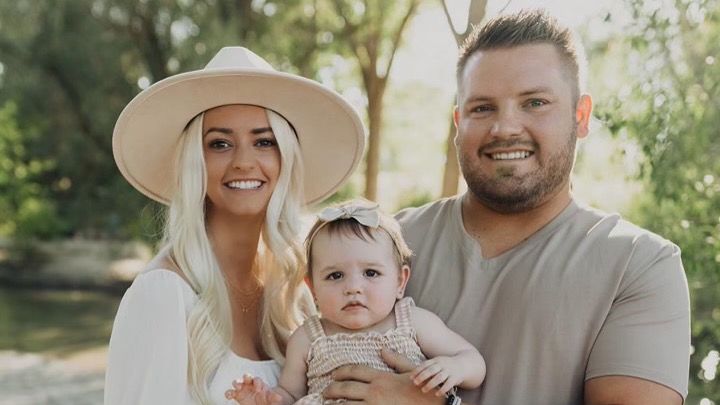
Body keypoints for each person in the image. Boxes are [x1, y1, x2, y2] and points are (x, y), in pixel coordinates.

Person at [322, 10, 691, 405]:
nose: (505, 128)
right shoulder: (384, 244)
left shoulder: (637, 265)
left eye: (535, 102)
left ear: (581, 116)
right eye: (482, 108)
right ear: (458, 122)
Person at [104, 46, 366, 405]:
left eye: (264, 142)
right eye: (220, 144)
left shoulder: (296, 291)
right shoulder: (164, 295)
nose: (244, 161)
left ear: (286, 158)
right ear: (196, 162)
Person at [225, 200, 485, 405]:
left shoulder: (411, 321)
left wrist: (454, 367)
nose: (353, 288)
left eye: (371, 273)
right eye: (335, 276)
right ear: (313, 288)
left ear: (400, 281)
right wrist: (268, 399)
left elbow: (473, 361)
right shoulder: (307, 338)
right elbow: (290, 393)